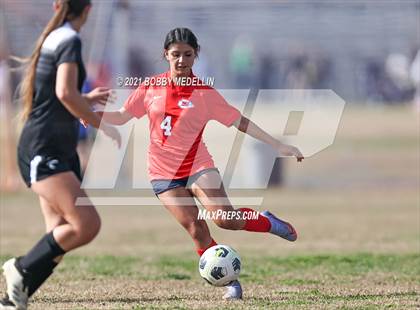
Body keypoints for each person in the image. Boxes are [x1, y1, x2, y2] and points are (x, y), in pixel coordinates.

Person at [87, 27, 303, 300]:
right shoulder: (150, 87)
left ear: (195, 55)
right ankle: (230, 283)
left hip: (198, 166)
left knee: (225, 219)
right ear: (166, 54)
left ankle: (267, 221)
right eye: (175, 54)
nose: (181, 60)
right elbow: (120, 116)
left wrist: (278, 145)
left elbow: (240, 122)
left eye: (187, 54)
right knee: (196, 229)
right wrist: (93, 116)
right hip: (163, 173)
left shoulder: (204, 94)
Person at [0, 1, 120, 309]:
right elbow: (65, 93)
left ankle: (13, 299)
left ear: (57, 5)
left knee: (58, 234)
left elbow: (58, 93)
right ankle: (20, 268)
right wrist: (99, 123)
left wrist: (86, 99)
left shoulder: (56, 36)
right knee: (86, 224)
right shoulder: (68, 39)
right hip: (44, 148)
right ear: (89, 9)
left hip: (56, 147)